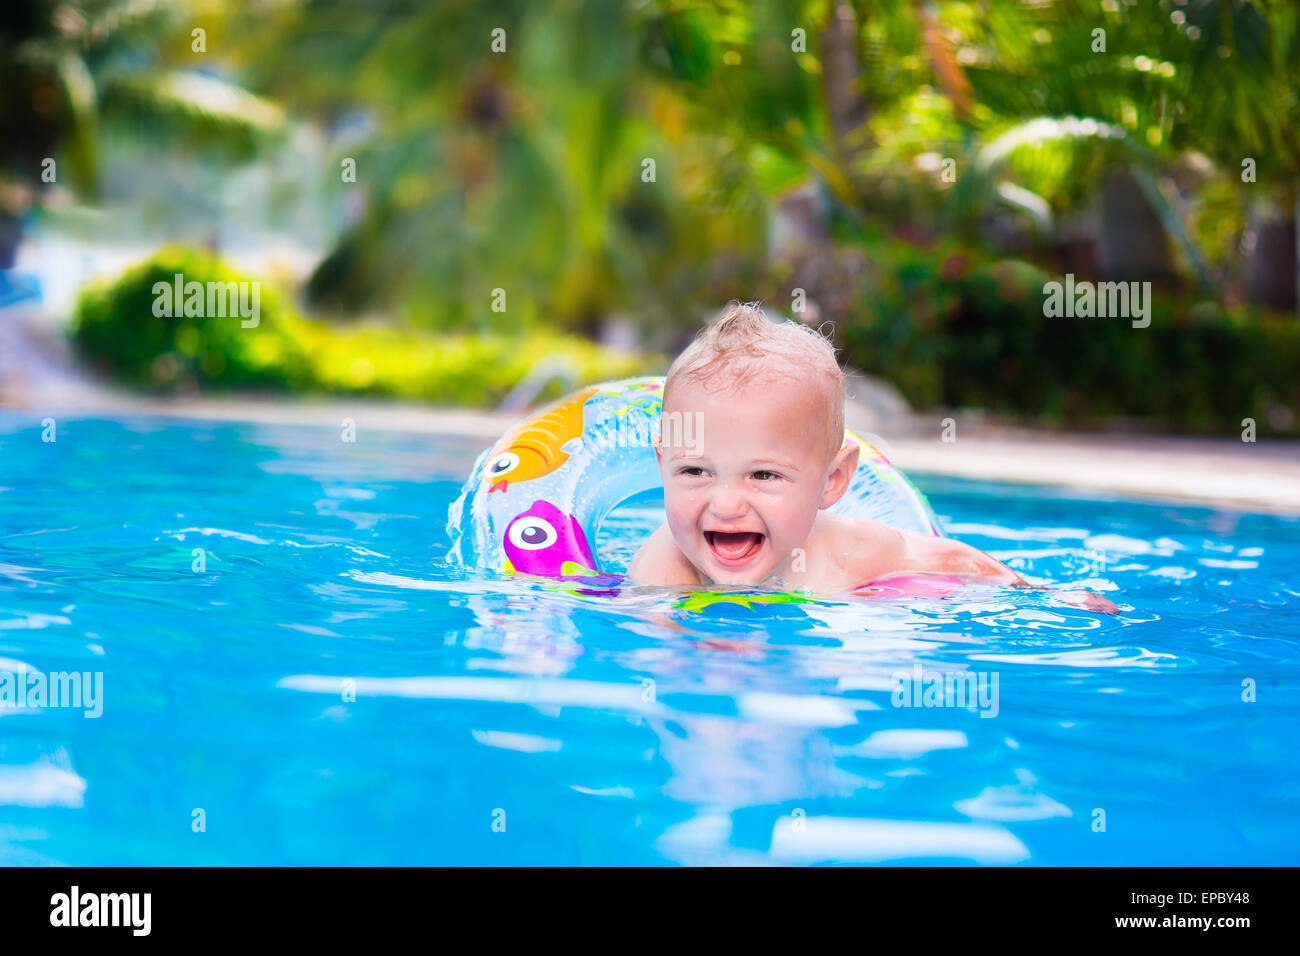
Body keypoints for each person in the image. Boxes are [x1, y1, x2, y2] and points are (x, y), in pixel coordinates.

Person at [627, 301, 1119, 613]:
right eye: (695, 470)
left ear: (833, 480)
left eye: (763, 474)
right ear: (662, 466)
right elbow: (654, 653)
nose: (727, 504)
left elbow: (949, 557)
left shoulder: (846, 549)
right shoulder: (663, 570)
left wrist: (1040, 592)